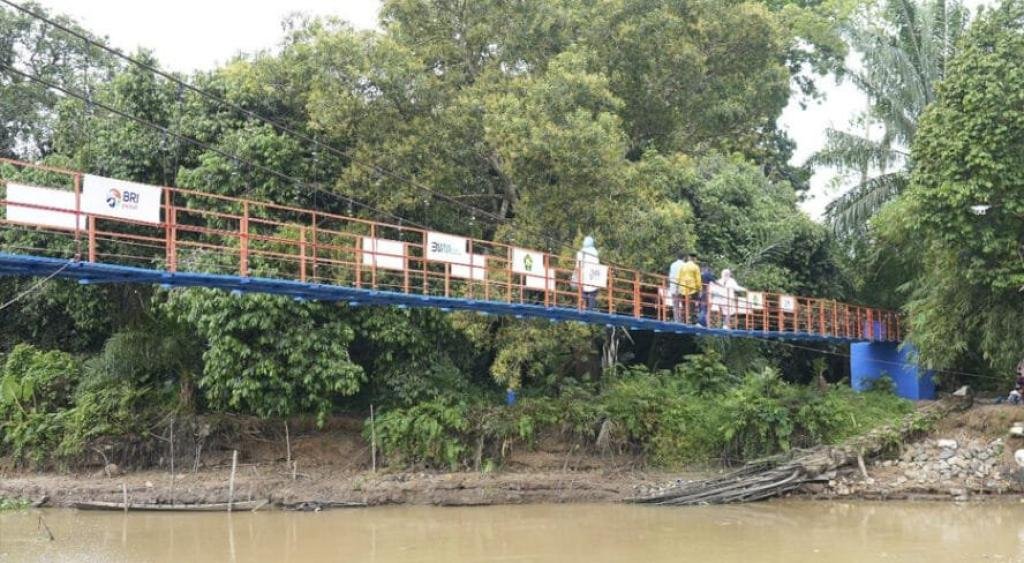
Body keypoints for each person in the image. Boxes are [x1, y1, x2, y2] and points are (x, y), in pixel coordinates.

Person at [675, 252, 702, 324]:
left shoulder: (683, 266)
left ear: (689, 258)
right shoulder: (696, 267)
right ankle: (692, 321)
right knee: (692, 306)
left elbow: (678, 277)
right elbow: (698, 279)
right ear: (694, 258)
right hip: (692, 289)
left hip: (683, 289)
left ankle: (684, 320)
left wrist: (677, 287)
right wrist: (699, 289)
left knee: (684, 305)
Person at [575, 236, 600, 310]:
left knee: (582, 293)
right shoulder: (595, 252)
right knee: (592, 294)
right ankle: (590, 310)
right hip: (592, 276)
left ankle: (581, 308)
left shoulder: (580, 253)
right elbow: (597, 265)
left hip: (583, 276)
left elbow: (577, 266)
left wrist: (576, 275)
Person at [667, 252, 687, 322]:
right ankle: (683, 319)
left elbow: (670, 275)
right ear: (684, 257)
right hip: (682, 287)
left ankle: (676, 319)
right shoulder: (685, 265)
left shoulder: (673, 264)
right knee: (684, 303)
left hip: (673, 285)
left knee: (675, 304)